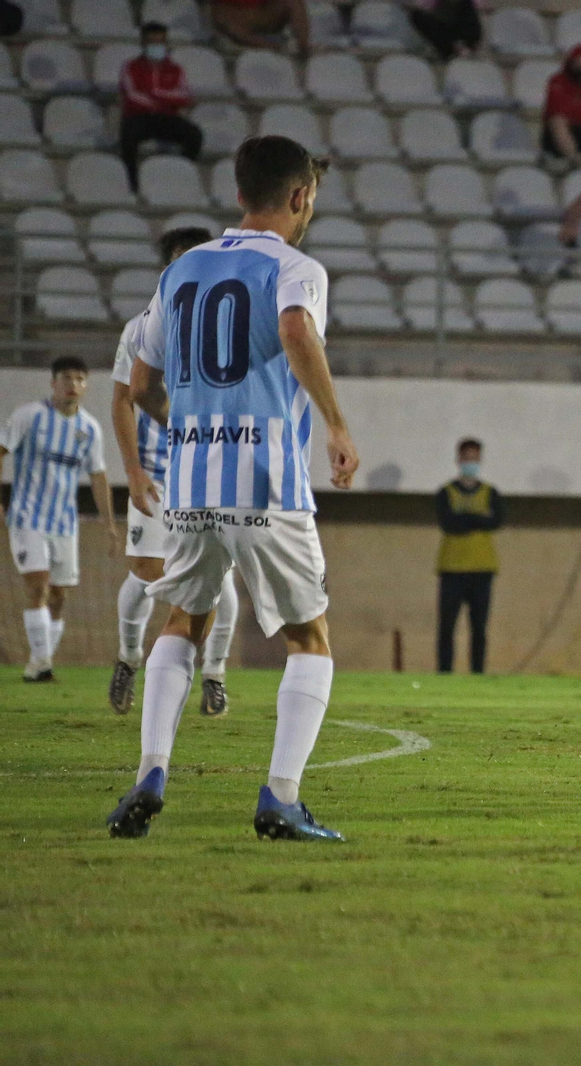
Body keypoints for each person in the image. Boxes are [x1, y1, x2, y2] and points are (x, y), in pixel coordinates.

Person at [107, 135, 360, 843]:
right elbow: (293, 329)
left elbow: (143, 386)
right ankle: (281, 795)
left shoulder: (181, 269)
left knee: (182, 622)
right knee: (310, 638)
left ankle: (151, 771)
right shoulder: (297, 267)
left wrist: (191, 428)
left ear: (239, 190)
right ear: (301, 195)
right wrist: (336, 425)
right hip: (264, 478)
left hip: (188, 484)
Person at [108, 227, 241, 719]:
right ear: (168, 268)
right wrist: (133, 468)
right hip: (160, 473)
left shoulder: (230, 322)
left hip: (213, 470)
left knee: (221, 579)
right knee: (146, 574)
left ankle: (215, 675)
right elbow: (124, 398)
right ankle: (127, 658)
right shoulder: (143, 326)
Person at [2, 357, 116, 682]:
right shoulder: (30, 416)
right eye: (66, 377)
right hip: (27, 517)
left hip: (65, 524)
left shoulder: (89, 428)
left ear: (86, 385)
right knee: (37, 585)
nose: (73, 384)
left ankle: (39, 663)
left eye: (80, 378)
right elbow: (1, 449)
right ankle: (42, 663)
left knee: (59, 596)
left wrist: (108, 524)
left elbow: (98, 476)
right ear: (53, 382)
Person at [436, 437, 503, 674]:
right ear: (458, 460)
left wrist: (464, 519)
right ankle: (444, 673)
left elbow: (496, 522)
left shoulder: (490, 492)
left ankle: (478, 672)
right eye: (467, 458)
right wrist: (477, 519)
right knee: (447, 628)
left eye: (475, 458)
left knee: (479, 629)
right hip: (452, 569)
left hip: (482, 569)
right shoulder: (446, 492)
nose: (471, 463)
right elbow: (448, 523)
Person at [118, 22, 202, 194]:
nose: (157, 46)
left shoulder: (175, 69)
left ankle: (178, 175)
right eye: (152, 42)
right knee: (128, 137)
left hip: (166, 117)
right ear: (143, 43)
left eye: (160, 42)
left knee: (194, 135)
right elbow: (131, 96)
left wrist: (155, 93)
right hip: (139, 117)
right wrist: (161, 100)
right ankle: (133, 185)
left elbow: (184, 96)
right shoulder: (131, 67)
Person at [206, 0, 311, 57]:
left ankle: (303, 47)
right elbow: (219, 16)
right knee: (221, 16)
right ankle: (273, 47)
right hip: (237, 26)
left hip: (265, 17)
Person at [409, 0, 481, 61]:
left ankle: (463, 47)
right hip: (448, 37)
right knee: (418, 16)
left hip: (463, 38)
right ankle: (453, 50)